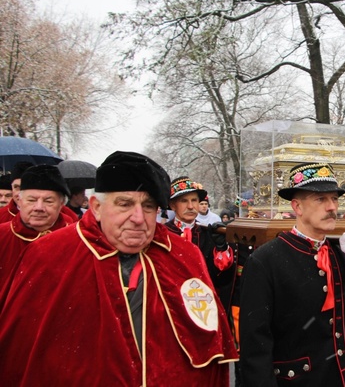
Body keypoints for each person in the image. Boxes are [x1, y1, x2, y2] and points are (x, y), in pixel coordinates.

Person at [0, 151, 238, 385]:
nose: (137, 217)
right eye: (124, 204)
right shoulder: (50, 254)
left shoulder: (184, 256)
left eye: (148, 206)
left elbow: (211, 351)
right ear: (96, 207)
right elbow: (19, 355)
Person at [239, 162, 345, 386]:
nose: (331, 207)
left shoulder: (341, 255)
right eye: (321, 199)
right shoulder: (265, 261)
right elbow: (255, 347)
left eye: (334, 199)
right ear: (297, 207)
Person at [0, 164, 74, 291]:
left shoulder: (76, 240)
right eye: (32, 200)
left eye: (48, 201)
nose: (39, 207)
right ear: (20, 200)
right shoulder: (2, 235)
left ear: (61, 204)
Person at [165, 177, 235, 307]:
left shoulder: (207, 234)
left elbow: (222, 279)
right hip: (170, 304)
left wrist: (222, 248)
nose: (191, 206)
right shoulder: (163, 234)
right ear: (172, 205)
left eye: (194, 200)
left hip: (202, 304)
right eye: (184, 201)